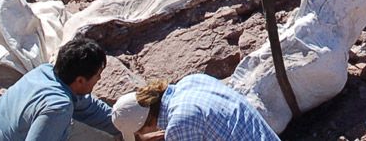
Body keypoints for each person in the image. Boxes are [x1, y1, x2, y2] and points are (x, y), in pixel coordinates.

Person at [0, 36, 116, 140]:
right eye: (97, 75)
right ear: (80, 80)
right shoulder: (58, 107)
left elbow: (90, 108)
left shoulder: (45, 71)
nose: (99, 79)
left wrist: (128, 123)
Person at [110, 74, 278, 141]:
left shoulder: (179, 126)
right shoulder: (191, 81)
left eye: (139, 133)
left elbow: (184, 127)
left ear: (147, 124)